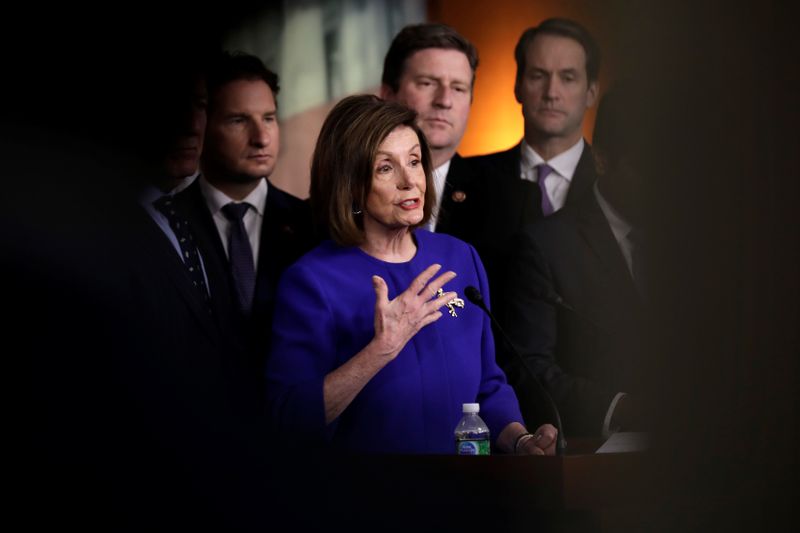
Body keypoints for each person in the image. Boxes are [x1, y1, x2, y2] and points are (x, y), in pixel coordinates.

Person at [265, 94, 556, 455]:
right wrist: (381, 349)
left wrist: (520, 440)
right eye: (385, 168)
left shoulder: (459, 257)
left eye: (415, 161)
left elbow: (487, 386)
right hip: (371, 499)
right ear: (350, 184)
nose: (410, 181)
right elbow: (289, 419)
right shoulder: (312, 282)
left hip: (468, 497)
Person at [498, 84, 651, 438]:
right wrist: (621, 408)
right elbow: (530, 366)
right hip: (597, 456)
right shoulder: (545, 245)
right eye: (646, 169)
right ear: (601, 159)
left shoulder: (696, 238)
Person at [178, 51, 313, 375]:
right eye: (238, 120)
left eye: (268, 118)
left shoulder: (312, 223)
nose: (261, 137)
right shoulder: (170, 220)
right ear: (202, 124)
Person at [459, 18, 602, 300]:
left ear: (591, 93)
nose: (552, 93)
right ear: (517, 86)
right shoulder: (468, 179)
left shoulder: (614, 185)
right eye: (538, 75)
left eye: (568, 78)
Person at [379, 23, 482, 236]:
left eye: (458, 88)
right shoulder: (340, 198)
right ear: (388, 94)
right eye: (427, 84)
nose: (444, 101)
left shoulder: (511, 201)